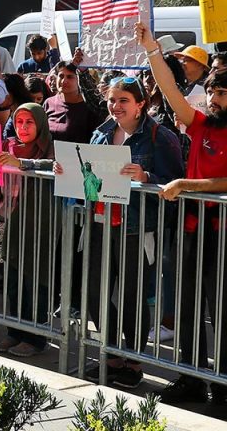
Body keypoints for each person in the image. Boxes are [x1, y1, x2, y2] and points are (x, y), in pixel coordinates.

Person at [136, 23, 227, 404]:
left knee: (220, 309)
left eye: (222, 92)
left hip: (221, 231)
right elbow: (172, 94)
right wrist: (152, 51)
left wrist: (187, 185)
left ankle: (222, 384)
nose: (214, 98)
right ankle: (191, 377)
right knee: (188, 302)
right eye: (211, 91)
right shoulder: (201, 122)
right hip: (191, 227)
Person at [74, 76, 182, 387]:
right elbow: (87, 172)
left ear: (140, 104)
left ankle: (134, 362)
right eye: (111, 100)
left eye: (123, 100)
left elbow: (175, 183)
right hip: (98, 222)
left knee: (134, 296)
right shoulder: (101, 132)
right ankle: (111, 354)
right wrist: (67, 170)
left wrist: (148, 176)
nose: (115, 106)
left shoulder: (160, 137)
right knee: (93, 291)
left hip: (136, 227)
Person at [0, 103, 56, 357]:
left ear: (40, 123)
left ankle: (36, 337)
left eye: (29, 122)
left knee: (35, 279)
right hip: (10, 219)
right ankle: (15, 332)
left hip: (39, 222)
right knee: (13, 278)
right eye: (19, 122)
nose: (23, 127)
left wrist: (23, 162)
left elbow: (54, 166)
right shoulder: (6, 145)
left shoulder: (51, 146)